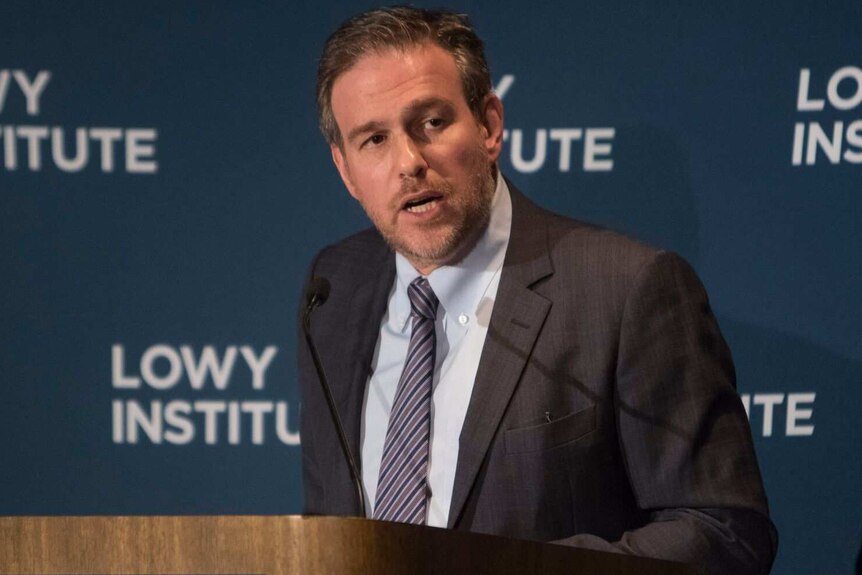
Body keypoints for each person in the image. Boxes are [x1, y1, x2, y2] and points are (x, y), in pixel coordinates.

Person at [299, 6, 777, 574]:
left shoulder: (625, 291)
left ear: (489, 126)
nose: (409, 163)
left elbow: (726, 532)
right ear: (346, 170)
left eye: (430, 122)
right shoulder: (333, 289)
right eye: (374, 139)